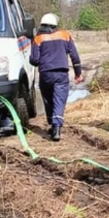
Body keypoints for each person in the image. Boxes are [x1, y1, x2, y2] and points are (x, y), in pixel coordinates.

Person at [30, 13, 83, 142]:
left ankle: (52, 123)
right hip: (61, 73)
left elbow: (35, 60)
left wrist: (37, 60)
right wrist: (78, 73)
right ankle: (56, 128)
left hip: (46, 73)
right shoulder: (65, 35)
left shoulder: (38, 38)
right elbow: (75, 56)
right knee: (59, 99)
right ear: (55, 24)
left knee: (48, 98)